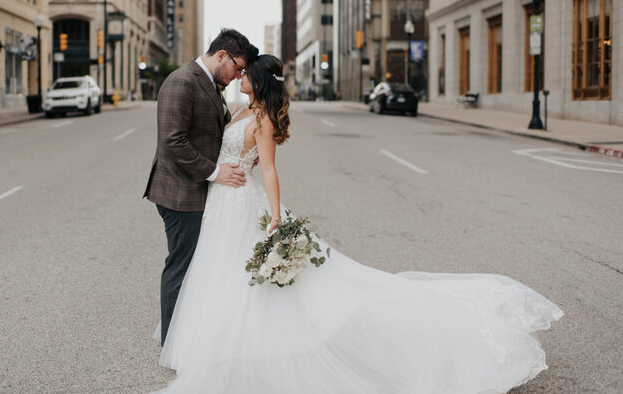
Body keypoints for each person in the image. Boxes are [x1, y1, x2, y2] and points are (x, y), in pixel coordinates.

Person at [152, 54, 563, 394]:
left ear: (257, 81)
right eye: (239, 71)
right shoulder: (242, 109)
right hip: (222, 199)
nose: (240, 76)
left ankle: (238, 342)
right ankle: (213, 339)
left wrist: (275, 216)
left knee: (239, 271)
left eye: (246, 73)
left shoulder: (263, 120)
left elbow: (270, 170)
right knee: (219, 269)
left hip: (241, 199)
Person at [144, 28, 259, 346]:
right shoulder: (181, 81)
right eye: (238, 67)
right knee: (181, 266)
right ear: (222, 55)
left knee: (196, 265)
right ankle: (171, 342)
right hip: (180, 193)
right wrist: (215, 172)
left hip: (196, 190)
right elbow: (172, 142)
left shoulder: (209, 82)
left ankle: (186, 333)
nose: (238, 76)